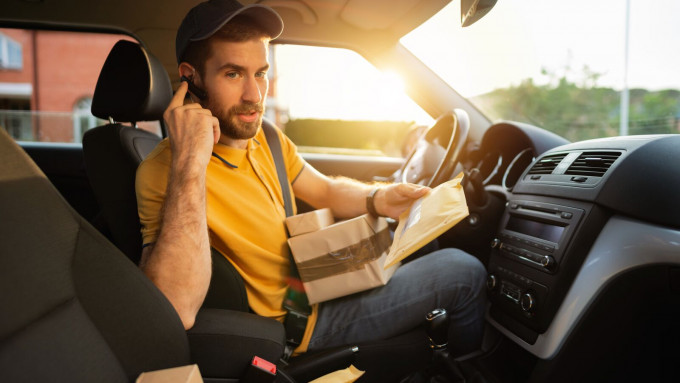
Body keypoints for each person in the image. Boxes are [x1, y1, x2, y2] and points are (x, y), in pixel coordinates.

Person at [135, 0, 486, 357]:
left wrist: (380, 198)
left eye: (260, 73)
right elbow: (174, 309)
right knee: (463, 270)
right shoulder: (166, 172)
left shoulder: (265, 138)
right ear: (190, 77)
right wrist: (191, 162)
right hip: (297, 325)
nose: (254, 95)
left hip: (312, 279)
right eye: (233, 74)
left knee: (421, 244)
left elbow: (326, 189)